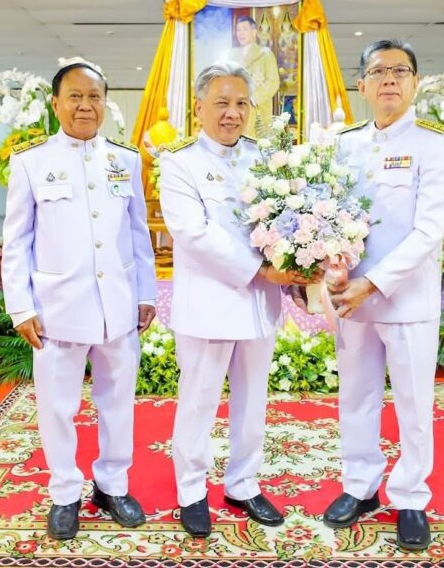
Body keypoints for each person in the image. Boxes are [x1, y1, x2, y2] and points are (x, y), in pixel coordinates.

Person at [311, 39, 444, 550]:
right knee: (356, 396)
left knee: (414, 404)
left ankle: (411, 496)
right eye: (378, 71)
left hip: (406, 300)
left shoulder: (434, 144)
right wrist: (332, 270)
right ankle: (360, 485)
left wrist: (371, 283)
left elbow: (428, 230)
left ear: (416, 82)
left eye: (400, 70)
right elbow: (328, 217)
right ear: (362, 84)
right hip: (350, 299)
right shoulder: (345, 144)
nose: (389, 79)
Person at [1, 62, 157, 541]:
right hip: (57, 309)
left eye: (94, 97)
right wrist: (21, 307)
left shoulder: (125, 159)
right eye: (75, 96)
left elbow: (138, 231)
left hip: (117, 306)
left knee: (118, 402)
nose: (85, 106)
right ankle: (65, 493)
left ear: (105, 102)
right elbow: (16, 241)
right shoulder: (31, 161)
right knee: (57, 407)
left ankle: (112, 486)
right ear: (56, 104)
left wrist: (146, 292)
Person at [158, 62, 307, 537]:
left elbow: (284, 227)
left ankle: (243, 484)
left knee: (253, 401)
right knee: (198, 401)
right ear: (198, 107)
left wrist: (296, 273)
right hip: (209, 305)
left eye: (242, 103)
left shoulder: (265, 160)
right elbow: (193, 233)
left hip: (259, 306)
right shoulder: (179, 162)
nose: (232, 113)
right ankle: (191, 491)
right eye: (221, 103)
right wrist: (261, 271)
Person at [225, 15, 280, 138]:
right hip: (234, 109)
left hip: (256, 109)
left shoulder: (265, 54)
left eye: (244, 29)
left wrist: (255, 98)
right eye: (238, 30)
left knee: (256, 143)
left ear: (254, 32)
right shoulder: (230, 54)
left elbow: (273, 82)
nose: (240, 33)